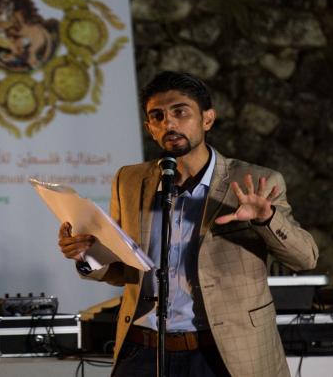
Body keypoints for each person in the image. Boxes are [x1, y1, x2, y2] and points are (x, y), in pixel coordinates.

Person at [58, 71, 318, 377]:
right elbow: (128, 270)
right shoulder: (128, 180)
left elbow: (306, 258)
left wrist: (266, 219)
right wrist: (88, 255)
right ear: (149, 128)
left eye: (180, 112)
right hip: (143, 349)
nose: (169, 124)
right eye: (157, 116)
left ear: (207, 119)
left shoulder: (254, 181)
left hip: (222, 353)